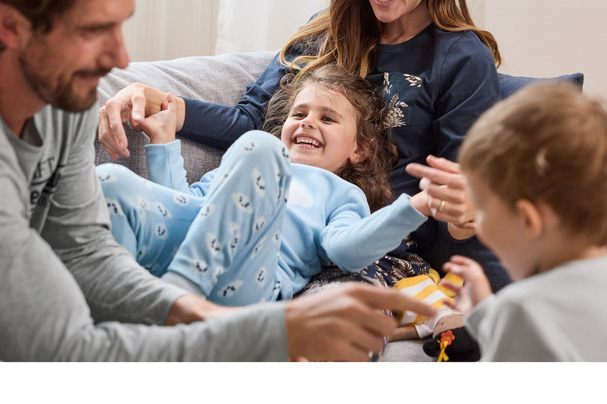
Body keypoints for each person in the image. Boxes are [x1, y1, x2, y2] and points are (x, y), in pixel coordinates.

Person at [0, 0, 436, 362]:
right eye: (95, 29)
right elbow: (64, 350)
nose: (119, 57)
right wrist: (269, 335)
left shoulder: (53, 80)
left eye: (121, 25)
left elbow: (84, 249)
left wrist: (214, 319)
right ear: (9, 25)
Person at [98, 0, 510, 292]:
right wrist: (163, 103)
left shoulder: (460, 59)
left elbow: (461, 193)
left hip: (372, 246)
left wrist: (481, 298)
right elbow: (252, 124)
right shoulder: (326, 33)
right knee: (131, 181)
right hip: (271, 217)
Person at [100, 64, 470, 307]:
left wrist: (416, 206)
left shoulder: (341, 194)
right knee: (112, 181)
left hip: (246, 286)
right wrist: (163, 140)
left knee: (260, 147)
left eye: (327, 118)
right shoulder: (242, 165)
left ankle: (177, 303)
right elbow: (179, 204)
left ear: (359, 149)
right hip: (186, 253)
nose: (308, 123)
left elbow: (347, 251)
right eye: (299, 114)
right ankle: (118, 305)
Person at [442, 82, 607, 361]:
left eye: (482, 208)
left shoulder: (522, 308)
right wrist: (487, 312)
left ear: (527, 221)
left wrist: (503, 314)